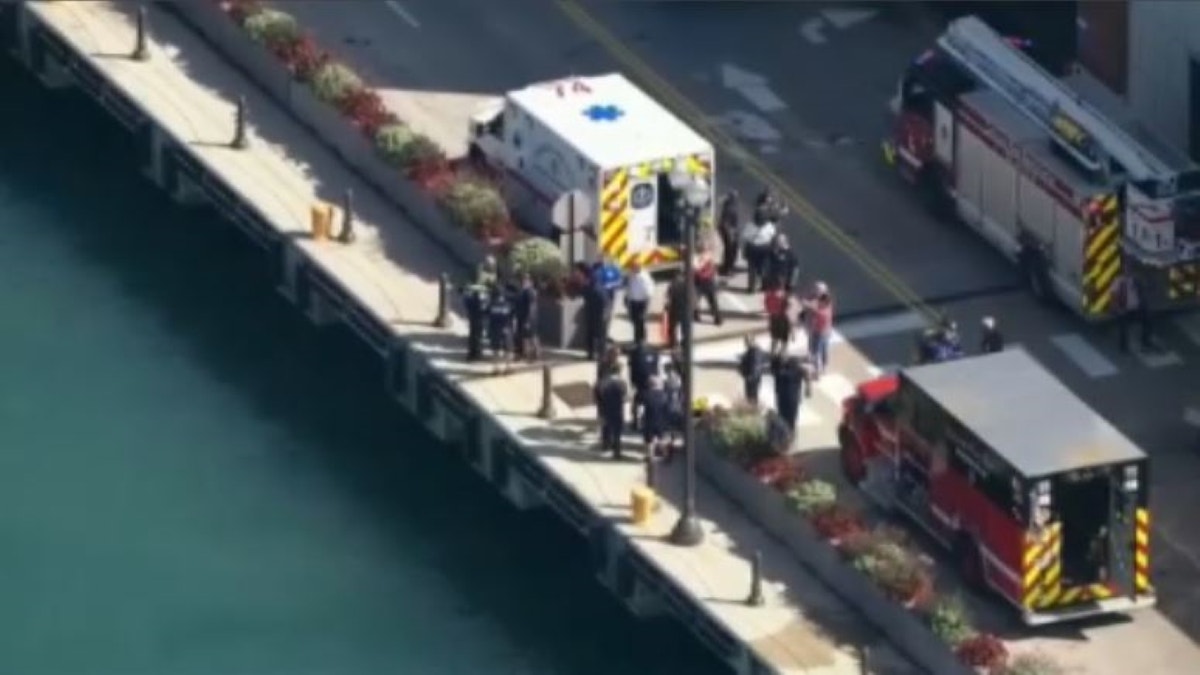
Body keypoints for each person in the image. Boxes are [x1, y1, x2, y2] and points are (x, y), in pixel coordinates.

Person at [1111, 270, 1155, 353]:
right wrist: (1117, 308)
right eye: (1126, 269)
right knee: (1123, 327)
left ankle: (1146, 341)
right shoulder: (1118, 281)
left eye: (1129, 269)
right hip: (1124, 309)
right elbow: (1113, 295)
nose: (1128, 272)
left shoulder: (1135, 279)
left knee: (1148, 318)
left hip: (1136, 308)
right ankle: (1123, 347)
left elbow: (1143, 289)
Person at [801, 281, 835, 378]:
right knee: (822, 349)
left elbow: (813, 309)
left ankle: (818, 370)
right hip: (823, 331)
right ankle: (822, 365)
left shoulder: (821, 311)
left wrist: (808, 304)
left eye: (818, 290)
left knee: (818, 351)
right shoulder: (826, 301)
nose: (816, 291)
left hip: (819, 332)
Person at [625, 338, 660, 429]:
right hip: (650, 381)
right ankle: (648, 420)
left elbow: (632, 367)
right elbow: (655, 366)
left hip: (640, 382)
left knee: (637, 402)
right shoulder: (654, 352)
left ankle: (636, 422)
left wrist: (632, 381)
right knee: (649, 402)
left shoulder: (635, 353)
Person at [595, 368, 628, 459]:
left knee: (606, 427)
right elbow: (625, 396)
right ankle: (617, 450)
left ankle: (606, 445)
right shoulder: (622, 383)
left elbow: (598, 395)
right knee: (617, 431)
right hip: (617, 409)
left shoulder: (602, 382)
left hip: (605, 408)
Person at [740, 216, 777, 293]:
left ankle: (763, 285)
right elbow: (745, 239)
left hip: (764, 250)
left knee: (763, 269)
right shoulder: (750, 226)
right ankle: (751, 287)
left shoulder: (769, 227)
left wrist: (772, 249)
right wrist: (744, 251)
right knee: (752, 269)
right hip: (753, 249)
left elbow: (773, 238)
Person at [772, 354, 807, 437]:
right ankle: (790, 434)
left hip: (783, 399)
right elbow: (806, 374)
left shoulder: (781, 372)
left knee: (784, 418)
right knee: (791, 419)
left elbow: (774, 367)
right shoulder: (797, 371)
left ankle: (786, 434)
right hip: (792, 399)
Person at [583, 271, 612, 359]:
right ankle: (596, 354)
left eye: (586, 279)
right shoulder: (595, 288)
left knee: (595, 336)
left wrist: (604, 315)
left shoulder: (594, 289)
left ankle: (596, 354)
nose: (585, 280)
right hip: (595, 315)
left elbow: (605, 303)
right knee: (596, 336)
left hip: (596, 315)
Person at [640, 375, 671, 459]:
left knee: (649, 440)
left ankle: (650, 456)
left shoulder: (646, 395)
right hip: (661, 421)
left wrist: (641, 420)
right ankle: (665, 453)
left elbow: (642, 409)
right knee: (661, 438)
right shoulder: (664, 396)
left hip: (649, 420)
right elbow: (667, 410)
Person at [486, 285, 514, 374]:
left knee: (495, 349)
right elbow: (512, 316)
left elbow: (485, 314)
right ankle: (508, 368)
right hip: (506, 329)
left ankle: (496, 368)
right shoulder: (508, 304)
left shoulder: (491, 304)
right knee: (508, 349)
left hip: (495, 329)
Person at [693, 241, 722, 324]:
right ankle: (696, 315)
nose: (704, 251)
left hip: (707, 281)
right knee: (696, 300)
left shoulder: (708, 256)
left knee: (712, 301)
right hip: (699, 281)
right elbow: (696, 267)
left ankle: (717, 318)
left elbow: (713, 268)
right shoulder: (697, 257)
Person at [513, 273, 540, 361]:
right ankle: (526, 354)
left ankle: (534, 354)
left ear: (530, 281)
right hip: (521, 317)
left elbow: (531, 306)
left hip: (528, 317)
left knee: (530, 336)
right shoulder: (522, 291)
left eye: (526, 280)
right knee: (524, 336)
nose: (524, 281)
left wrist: (528, 320)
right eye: (523, 279)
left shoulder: (529, 291)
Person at [461, 282, 489, 362]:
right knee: (479, 337)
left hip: (473, 320)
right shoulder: (482, 302)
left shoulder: (471, 301)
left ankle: (472, 353)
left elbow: (465, 300)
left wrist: (466, 292)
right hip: (480, 321)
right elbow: (486, 309)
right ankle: (478, 353)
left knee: (472, 336)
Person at [738, 336, 769, 405]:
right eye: (746, 342)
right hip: (753, 377)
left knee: (751, 395)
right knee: (752, 395)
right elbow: (764, 360)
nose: (746, 344)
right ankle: (752, 406)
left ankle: (752, 406)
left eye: (747, 342)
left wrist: (749, 375)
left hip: (752, 378)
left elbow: (754, 365)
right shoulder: (755, 351)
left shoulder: (754, 351)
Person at [764, 283, 792, 356]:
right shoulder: (784, 298)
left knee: (775, 338)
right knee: (784, 340)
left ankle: (773, 353)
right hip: (783, 321)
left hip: (774, 319)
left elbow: (768, 308)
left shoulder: (772, 296)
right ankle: (781, 354)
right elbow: (788, 312)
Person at [717, 190, 741, 276]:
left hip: (728, 230)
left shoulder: (729, 205)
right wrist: (731, 235)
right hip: (728, 231)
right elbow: (725, 223)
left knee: (729, 251)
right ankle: (728, 269)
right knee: (730, 251)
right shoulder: (730, 208)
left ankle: (726, 267)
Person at [664, 271, 689, 349]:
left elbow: (668, 296)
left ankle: (673, 342)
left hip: (674, 308)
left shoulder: (672, 285)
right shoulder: (687, 284)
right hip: (685, 308)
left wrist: (666, 306)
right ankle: (685, 342)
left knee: (672, 327)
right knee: (684, 327)